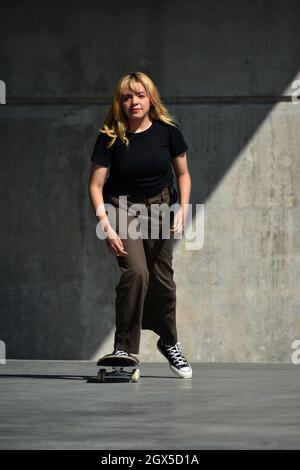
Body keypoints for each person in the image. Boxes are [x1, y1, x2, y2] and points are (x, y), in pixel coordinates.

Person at [88, 71, 192, 379]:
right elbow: (95, 185)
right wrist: (106, 225)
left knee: (162, 282)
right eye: (127, 97)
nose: (134, 101)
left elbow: (183, 175)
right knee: (136, 271)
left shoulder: (167, 132)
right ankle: (125, 348)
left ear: (150, 98)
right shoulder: (109, 136)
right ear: (120, 102)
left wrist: (183, 209)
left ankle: (169, 342)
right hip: (121, 207)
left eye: (140, 95)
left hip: (161, 207)